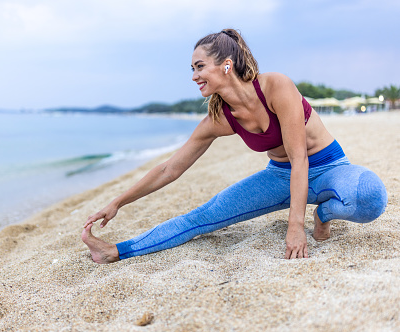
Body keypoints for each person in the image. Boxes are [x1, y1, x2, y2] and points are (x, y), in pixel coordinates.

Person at [81, 29, 388, 263]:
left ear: (226, 65)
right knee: (201, 217)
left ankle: (324, 215)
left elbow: (300, 159)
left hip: (328, 167)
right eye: (191, 69)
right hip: (280, 177)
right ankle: (116, 251)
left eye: (199, 67)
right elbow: (169, 169)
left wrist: (296, 226)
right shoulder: (219, 119)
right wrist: (118, 202)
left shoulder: (276, 86)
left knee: (371, 196)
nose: (194, 76)